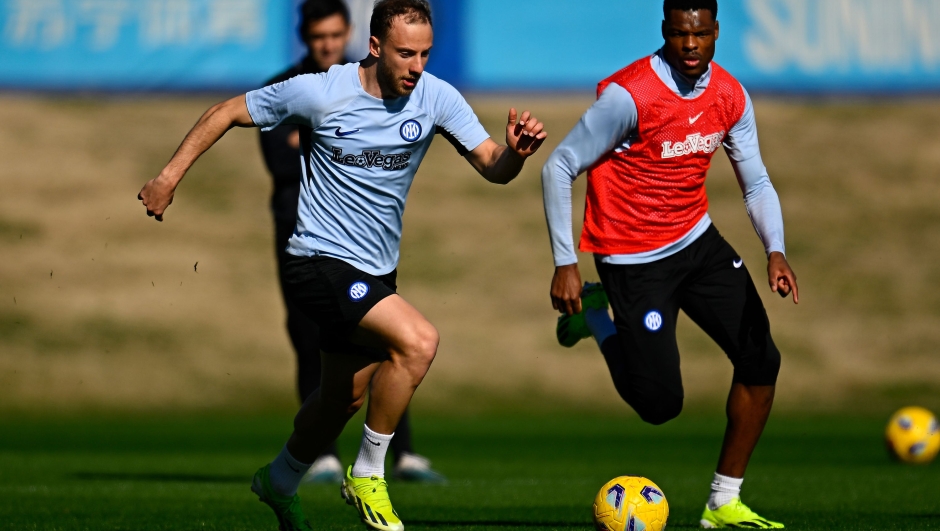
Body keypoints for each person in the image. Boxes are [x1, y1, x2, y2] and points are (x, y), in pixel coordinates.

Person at [138, 1, 547, 529]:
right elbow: (226, 112)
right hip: (317, 261)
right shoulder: (321, 91)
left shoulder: (437, 96)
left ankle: (279, 480)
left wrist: (515, 153)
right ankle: (369, 474)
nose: (417, 66)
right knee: (419, 342)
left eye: (425, 53)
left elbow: (493, 166)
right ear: (375, 47)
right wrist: (168, 177)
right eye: (405, 53)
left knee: (340, 399)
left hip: (375, 272)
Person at [541, 0, 797, 528]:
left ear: (716, 32)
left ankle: (723, 502)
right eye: (680, 34)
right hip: (632, 259)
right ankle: (594, 312)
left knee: (761, 359)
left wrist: (775, 249)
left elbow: (757, 182)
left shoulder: (729, 94)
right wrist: (566, 261)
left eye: (701, 34)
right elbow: (559, 166)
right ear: (665, 31)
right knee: (659, 405)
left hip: (697, 243)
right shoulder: (628, 96)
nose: (690, 46)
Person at [259, 0, 443, 485]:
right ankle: (352, 467)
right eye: (319, 37)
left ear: (349, 36)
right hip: (308, 244)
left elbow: (489, 161)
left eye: (335, 36)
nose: (327, 45)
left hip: (370, 256)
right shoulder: (302, 89)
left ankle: (288, 474)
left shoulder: (409, 91)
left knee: (361, 375)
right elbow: (279, 160)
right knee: (397, 341)